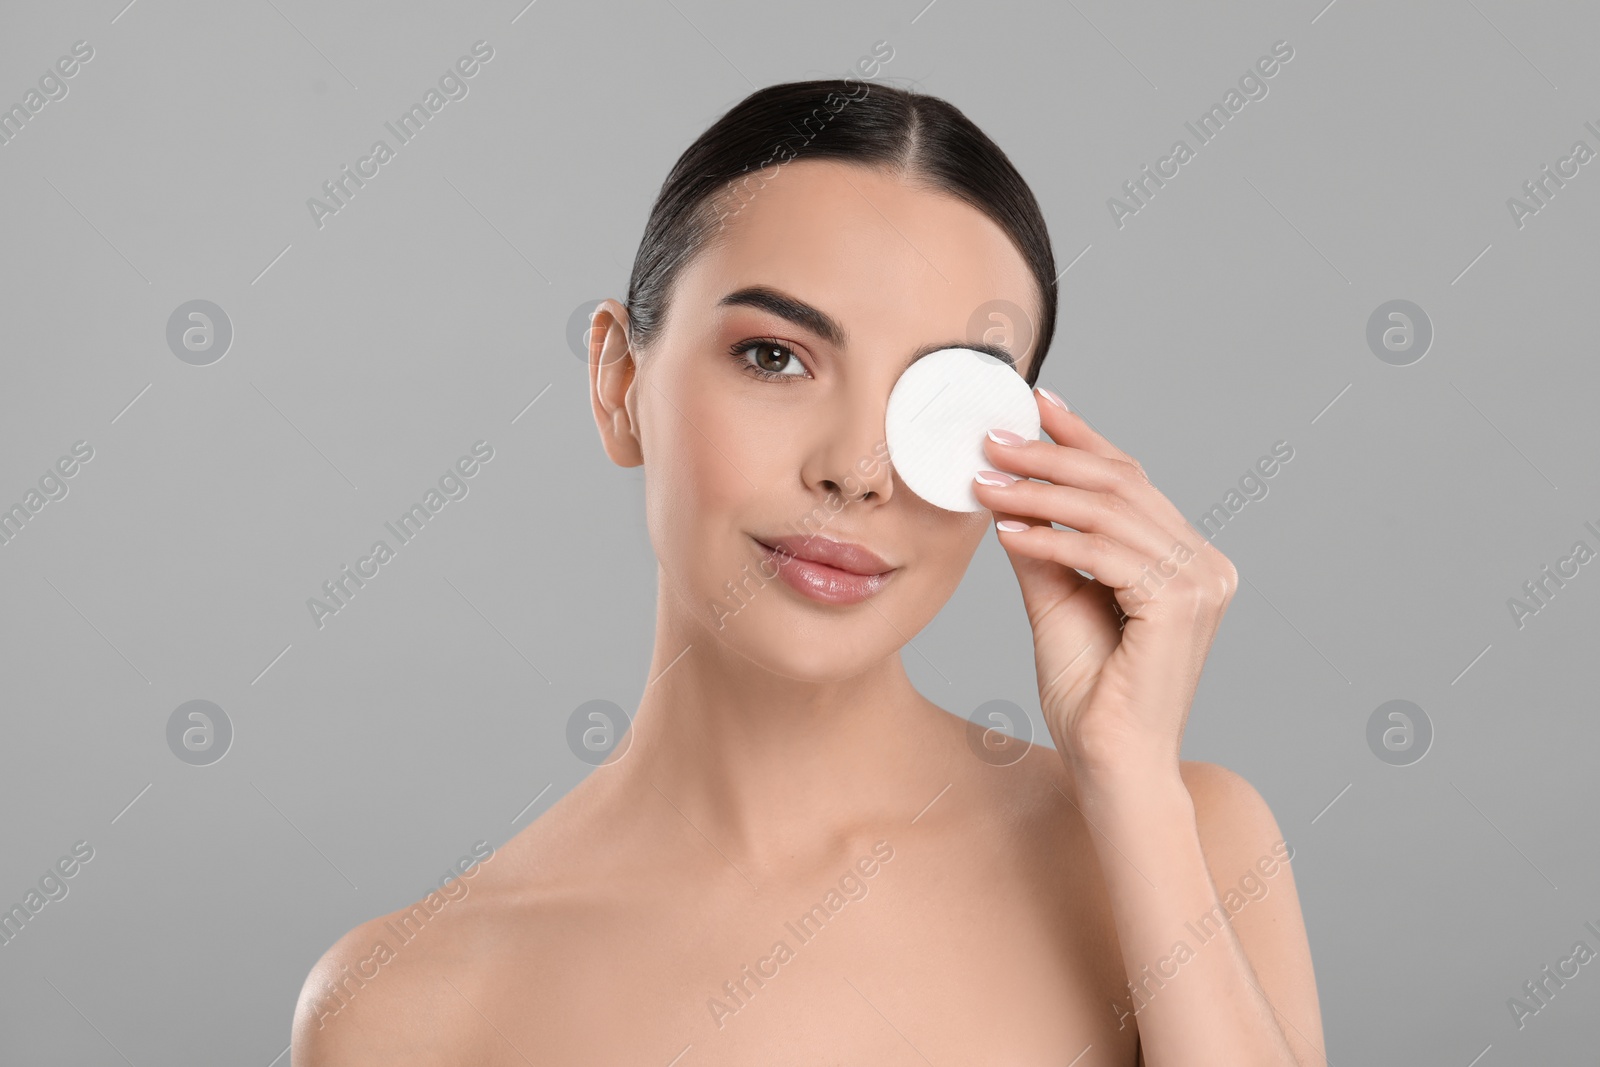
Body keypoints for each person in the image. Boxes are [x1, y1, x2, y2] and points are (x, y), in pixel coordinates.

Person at [293, 77, 1324, 1065]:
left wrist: (1132, 786)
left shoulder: (1188, 842)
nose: (856, 471)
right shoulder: (408, 1002)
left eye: (946, 404)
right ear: (618, 382)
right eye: (774, 356)